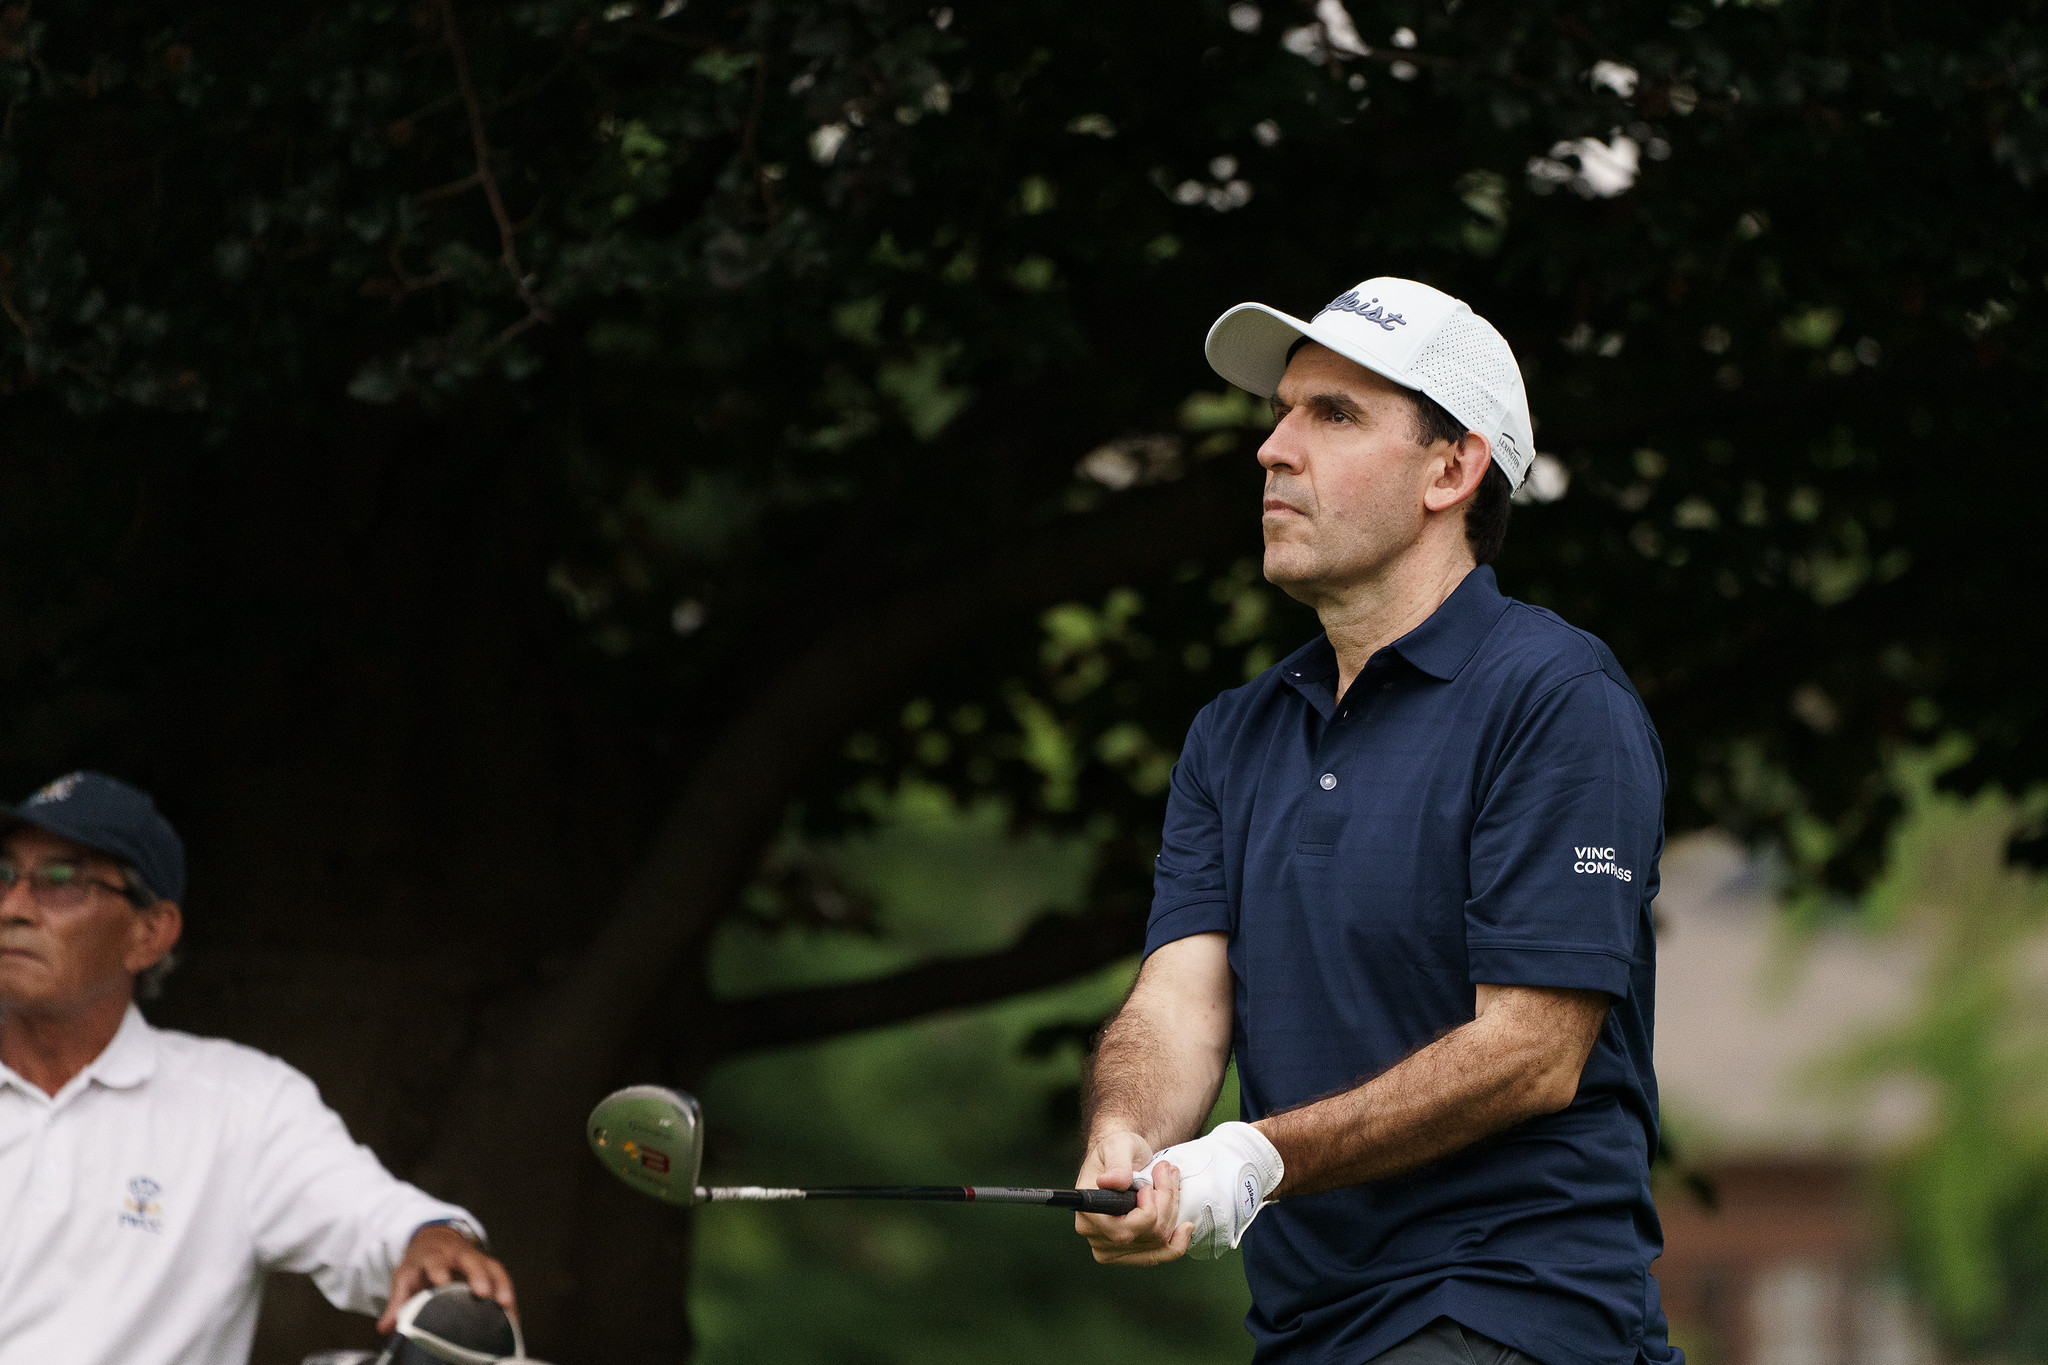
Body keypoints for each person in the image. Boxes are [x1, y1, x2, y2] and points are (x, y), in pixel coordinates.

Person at [1073, 278, 1680, 1365]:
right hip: (1312, 1326)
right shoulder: (1234, 733)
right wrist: (1127, 1135)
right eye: (1281, 413)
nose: (1273, 449)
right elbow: (1179, 1002)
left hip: (1508, 1305)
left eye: (1335, 414)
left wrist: (1252, 1157)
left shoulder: (1555, 699)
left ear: (1451, 471)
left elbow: (1531, 1051)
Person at [0, 771, 518, 1365]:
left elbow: (373, 1220)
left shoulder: (240, 1105)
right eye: (3, 875)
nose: (12, 907)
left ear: (150, 934)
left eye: (60, 881)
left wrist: (431, 1237)